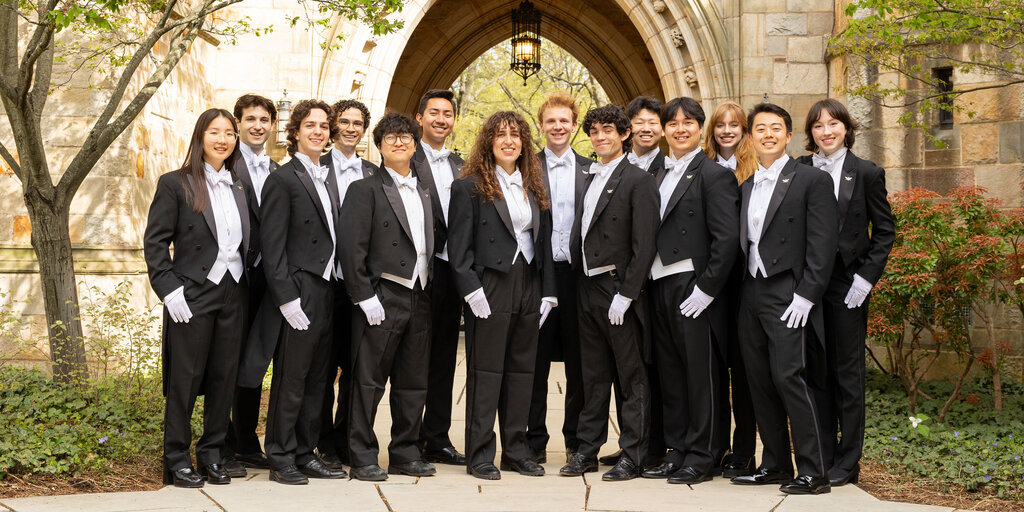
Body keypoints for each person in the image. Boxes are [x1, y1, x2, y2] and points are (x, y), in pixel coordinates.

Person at [731, 102, 837, 495]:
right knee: (759, 380)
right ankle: (774, 463)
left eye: (776, 128)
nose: (768, 135)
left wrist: (806, 296)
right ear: (751, 137)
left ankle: (814, 470)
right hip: (752, 291)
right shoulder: (746, 184)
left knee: (789, 377)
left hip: (789, 293)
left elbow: (822, 246)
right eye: (760, 129)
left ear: (789, 136)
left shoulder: (810, 180)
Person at [144, 108, 254, 488]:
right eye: (214, 132)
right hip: (191, 294)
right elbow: (155, 243)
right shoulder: (175, 183)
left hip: (233, 292)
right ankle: (176, 459)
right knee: (185, 380)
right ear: (200, 136)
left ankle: (211, 455)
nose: (222, 139)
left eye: (229, 133)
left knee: (224, 379)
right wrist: (169, 290)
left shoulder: (240, 185)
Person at [448, 111, 557, 480]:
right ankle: (479, 454)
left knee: (523, 371)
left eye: (516, 135)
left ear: (524, 142)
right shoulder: (468, 186)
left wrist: (549, 293)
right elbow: (458, 249)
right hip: (490, 283)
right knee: (486, 370)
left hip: (529, 281)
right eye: (500, 135)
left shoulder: (536, 185)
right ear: (489, 142)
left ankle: (516, 450)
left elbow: (544, 241)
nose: (509, 141)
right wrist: (471, 291)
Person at [641, 97, 739, 485]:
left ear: (700, 128)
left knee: (702, 375)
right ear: (664, 130)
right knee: (672, 374)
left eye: (688, 122)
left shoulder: (714, 174)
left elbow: (727, 239)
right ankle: (678, 450)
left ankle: (705, 454)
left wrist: (707, 289)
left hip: (692, 285)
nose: (680, 129)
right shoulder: (657, 174)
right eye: (673, 123)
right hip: (659, 283)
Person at [797, 99, 894, 487]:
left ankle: (848, 460)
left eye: (833, 124)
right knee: (815, 370)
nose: (826, 131)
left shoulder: (867, 172)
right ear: (810, 134)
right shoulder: (800, 170)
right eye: (818, 126)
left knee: (847, 373)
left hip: (847, 285)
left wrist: (865, 279)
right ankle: (820, 452)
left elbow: (884, 231)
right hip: (807, 286)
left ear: (846, 128)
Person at [559, 104, 659, 482]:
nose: (600, 137)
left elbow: (645, 244)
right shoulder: (589, 176)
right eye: (595, 132)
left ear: (624, 134)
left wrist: (627, 293)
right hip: (586, 287)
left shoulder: (638, 180)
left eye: (608, 131)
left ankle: (633, 455)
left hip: (619, 290)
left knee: (631, 376)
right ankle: (587, 449)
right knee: (593, 374)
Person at [341, 113, 437, 482]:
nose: (399, 142)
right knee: (368, 381)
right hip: (381, 296)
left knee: (413, 382)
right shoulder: (364, 189)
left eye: (406, 137)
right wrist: (365, 296)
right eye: (391, 138)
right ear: (379, 146)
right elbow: (352, 249)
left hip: (420, 294)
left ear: (415, 143)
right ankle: (362, 455)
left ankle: (405, 453)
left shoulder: (425, 189)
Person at [260, 99, 347, 484]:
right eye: (310, 125)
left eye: (323, 126)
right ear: (295, 132)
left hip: (326, 288)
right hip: (298, 290)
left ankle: (304, 450)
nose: (318, 131)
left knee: (317, 378)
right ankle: (280, 454)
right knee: (292, 377)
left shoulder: (325, 176)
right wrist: (286, 298)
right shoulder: (282, 179)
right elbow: (271, 246)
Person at [527, 92, 592, 464]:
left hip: (579, 279)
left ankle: (577, 440)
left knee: (581, 364)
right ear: (541, 125)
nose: (557, 126)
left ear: (574, 124)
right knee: (533, 363)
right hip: (538, 278)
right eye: (551, 121)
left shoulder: (591, 169)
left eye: (564, 120)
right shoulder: (525, 168)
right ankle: (534, 440)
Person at [316, 99, 380, 469]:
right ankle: (322, 441)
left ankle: (345, 438)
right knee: (323, 368)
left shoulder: (374, 173)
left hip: (363, 286)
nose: (351, 128)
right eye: (344, 122)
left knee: (357, 369)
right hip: (326, 284)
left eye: (358, 123)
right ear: (333, 126)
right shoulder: (316, 167)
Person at [701, 100, 759, 478]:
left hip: (743, 282)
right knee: (712, 370)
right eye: (720, 125)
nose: (726, 130)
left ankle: (743, 451)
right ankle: (714, 444)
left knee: (744, 370)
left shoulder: (754, 170)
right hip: (707, 282)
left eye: (734, 125)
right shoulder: (700, 167)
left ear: (743, 131)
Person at [224, 94, 279, 477]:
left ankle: (246, 439)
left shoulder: (280, 169)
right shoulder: (225, 166)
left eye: (264, 119)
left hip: (268, 279)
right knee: (227, 360)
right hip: (233, 279)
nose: (257, 125)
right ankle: (224, 441)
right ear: (238, 123)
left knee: (255, 362)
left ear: (273, 124)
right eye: (250, 119)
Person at [413, 89, 468, 466]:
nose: (441, 119)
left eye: (447, 114)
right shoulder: (404, 158)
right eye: (434, 112)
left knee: (445, 356)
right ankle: (407, 436)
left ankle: (437, 436)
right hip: (416, 273)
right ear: (420, 118)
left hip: (452, 273)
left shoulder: (463, 165)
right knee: (411, 358)